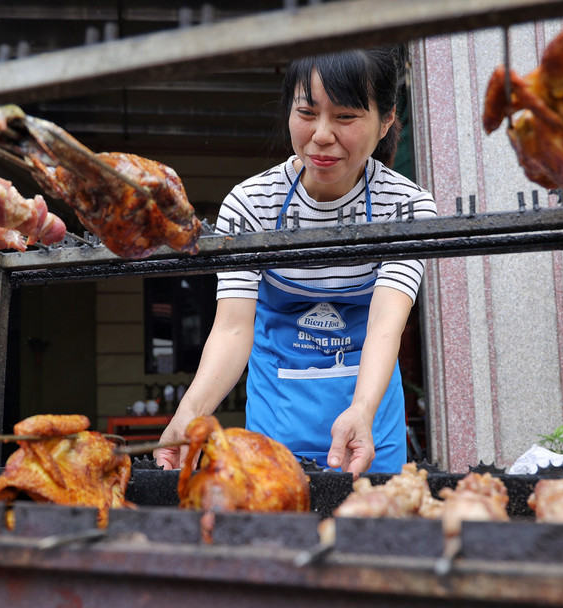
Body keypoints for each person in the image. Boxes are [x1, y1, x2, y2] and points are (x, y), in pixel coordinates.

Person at [154, 46, 437, 475]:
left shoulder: (407, 207)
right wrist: (191, 410)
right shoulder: (251, 205)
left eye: (345, 117)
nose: (322, 134)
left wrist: (361, 409)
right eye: (307, 112)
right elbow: (232, 329)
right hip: (276, 421)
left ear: (386, 122)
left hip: (368, 420)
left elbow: (385, 323)